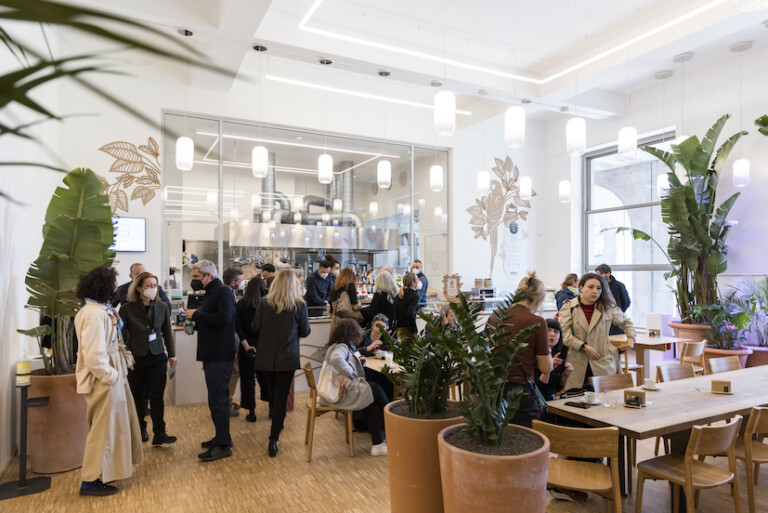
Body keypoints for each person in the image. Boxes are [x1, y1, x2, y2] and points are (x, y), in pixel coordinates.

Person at [74, 266, 142, 496]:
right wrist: (110, 376)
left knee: (111, 427)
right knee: (103, 430)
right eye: (113, 284)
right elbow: (94, 355)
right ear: (103, 286)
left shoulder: (100, 310)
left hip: (112, 373)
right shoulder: (93, 314)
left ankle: (100, 474)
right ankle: (90, 480)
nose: (116, 287)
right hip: (104, 378)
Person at [251, 270, 310, 457]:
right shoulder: (299, 306)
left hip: (266, 356)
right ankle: (274, 437)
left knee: (274, 394)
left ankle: (276, 427)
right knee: (281, 397)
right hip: (288, 356)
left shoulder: (264, 304)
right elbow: (305, 331)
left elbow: (255, 327)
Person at [184, 260, 236, 462]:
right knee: (216, 399)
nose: (193, 280)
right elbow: (213, 320)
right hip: (212, 352)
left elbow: (224, 318)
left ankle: (223, 446)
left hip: (220, 354)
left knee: (218, 400)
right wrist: (197, 322)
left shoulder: (223, 292)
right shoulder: (211, 293)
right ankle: (222, 437)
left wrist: (197, 314)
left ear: (208, 275)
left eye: (196, 276)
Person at [486, 271, 553, 428]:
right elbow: (546, 367)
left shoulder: (496, 315)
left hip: (493, 388)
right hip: (519, 393)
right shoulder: (537, 321)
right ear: (539, 299)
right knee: (523, 442)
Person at [120, 271, 177, 446]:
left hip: (157, 356)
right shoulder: (127, 308)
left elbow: (167, 331)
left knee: (157, 396)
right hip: (136, 357)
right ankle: (140, 430)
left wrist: (172, 354)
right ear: (138, 288)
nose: (153, 289)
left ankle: (160, 433)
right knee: (139, 399)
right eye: (149, 286)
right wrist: (127, 355)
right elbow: (121, 336)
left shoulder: (162, 307)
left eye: (155, 285)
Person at [320, 319, 389, 456]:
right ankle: (393, 421)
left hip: (337, 392)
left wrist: (357, 361)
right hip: (339, 394)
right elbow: (337, 359)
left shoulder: (338, 345)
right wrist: (350, 372)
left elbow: (341, 359)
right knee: (376, 389)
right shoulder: (342, 347)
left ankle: (378, 444)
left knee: (372, 397)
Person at [559, 272, 635, 392]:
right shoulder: (569, 307)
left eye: (599, 288)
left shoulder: (608, 307)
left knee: (606, 400)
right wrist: (583, 347)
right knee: (577, 400)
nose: (595, 291)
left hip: (603, 361)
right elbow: (564, 334)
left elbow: (626, 322)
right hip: (577, 362)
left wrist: (631, 339)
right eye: (591, 287)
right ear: (581, 287)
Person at [235, 277, 267, 423]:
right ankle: (271, 406)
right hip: (263, 346)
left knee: (247, 381)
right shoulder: (267, 304)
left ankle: (251, 411)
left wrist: (246, 344)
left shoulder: (241, 303)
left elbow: (238, 326)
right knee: (266, 378)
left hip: (246, 346)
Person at [222, 267, 245, 418]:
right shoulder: (228, 294)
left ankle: (227, 401)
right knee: (234, 371)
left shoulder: (228, 292)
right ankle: (227, 402)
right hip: (231, 338)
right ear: (233, 282)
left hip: (230, 337)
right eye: (241, 280)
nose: (242, 283)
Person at [535, 319, 573, 403]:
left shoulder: (558, 355)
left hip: (553, 401)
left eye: (556, 331)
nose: (552, 334)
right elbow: (538, 388)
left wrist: (565, 375)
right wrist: (548, 368)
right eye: (548, 330)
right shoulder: (535, 355)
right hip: (537, 402)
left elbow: (558, 387)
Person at [595, 264, 631, 335]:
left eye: (601, 274)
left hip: (616, 321)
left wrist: (617, 312)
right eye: (597, 274)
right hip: (602, 320)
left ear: (608, 273)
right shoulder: (598, 286)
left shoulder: (619, 285)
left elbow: (626, 302)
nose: (599, 277)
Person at [329, 268, 361, 333]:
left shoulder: (334, 287)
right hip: (347, 318)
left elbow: (331, 307)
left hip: (335, 319)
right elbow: (355, 306)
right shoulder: (350, 286)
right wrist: (360, 304)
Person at [392, 272, 420, 340]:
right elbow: (410, 313)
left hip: (398, 329)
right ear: (413, 282)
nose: (418, 281)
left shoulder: (399, 295)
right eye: (417, 279)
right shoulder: (415, 296)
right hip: (408, 330)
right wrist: (415, 330)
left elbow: (395, 313)